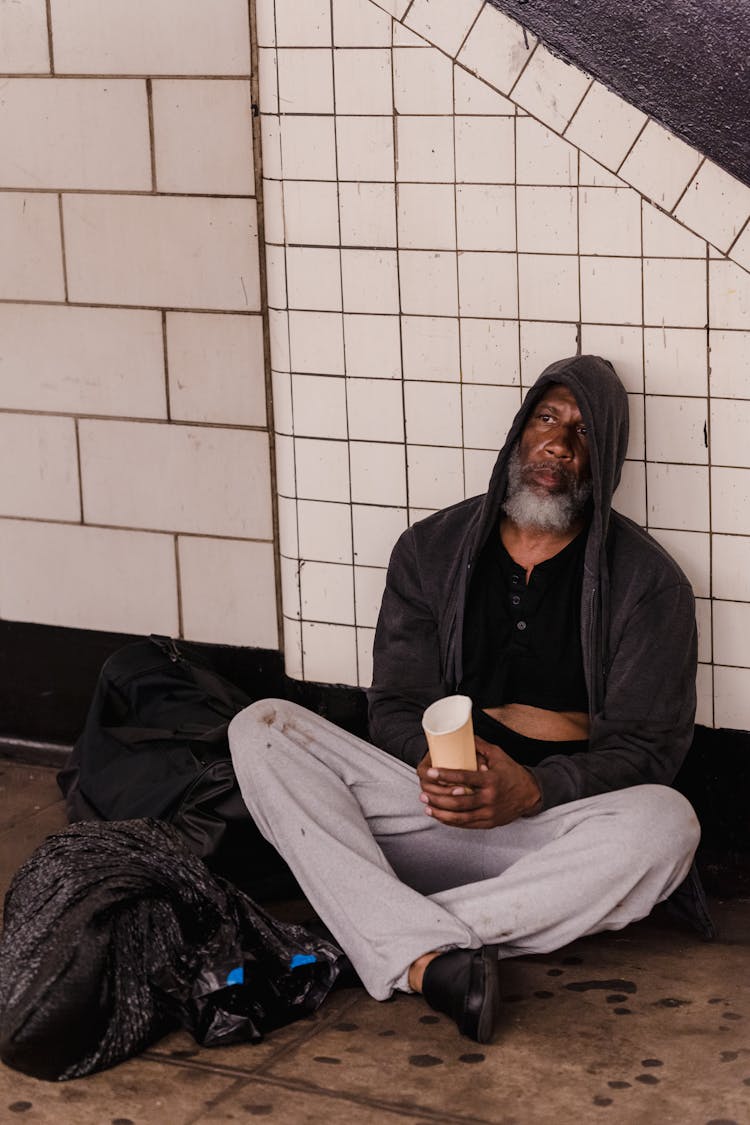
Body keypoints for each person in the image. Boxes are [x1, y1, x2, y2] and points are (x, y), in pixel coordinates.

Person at [229, 355, 707, 1045]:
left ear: (604, 460)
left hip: (554, 832)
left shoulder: (648, 583)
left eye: (581, 433)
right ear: (518, 431)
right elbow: (394, 701)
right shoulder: (431, 549)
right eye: (547, 418)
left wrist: (535, 789)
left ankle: (356, 938)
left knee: (669, 825)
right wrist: (427, 763)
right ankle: (419, 945)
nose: (558, 443)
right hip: (428, 810)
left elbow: (649, 748)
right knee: (262, 725)